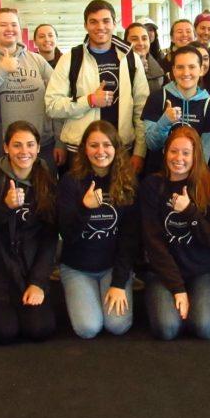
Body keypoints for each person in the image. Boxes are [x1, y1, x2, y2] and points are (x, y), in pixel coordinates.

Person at [0, 121, 58, 344]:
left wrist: (37, 282)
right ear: (6, 148)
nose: (24, 152)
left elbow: (49, 237)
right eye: (17, 145)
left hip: (29, 271)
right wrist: (4, 208)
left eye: (30, 145)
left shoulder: (46, 178)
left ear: (38, 148)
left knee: (40, 329)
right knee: (3, 333)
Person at [138, 126, 210, 340]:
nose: (179, 158)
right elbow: (153, 243)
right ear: (165, 153)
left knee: (205, 328)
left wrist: (189, 211)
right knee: (167, 329)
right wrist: (177, 288)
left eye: (186, 153)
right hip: (163, 272)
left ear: (195, 155)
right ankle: (180, 301)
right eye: (173, 151)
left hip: (201, 270)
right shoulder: (151, 185)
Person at [46, 0, 149, 172]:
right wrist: (90, 100)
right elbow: (52, 106)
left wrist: (140, 151)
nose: (100, 27)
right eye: (93, 21)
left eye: (106, 21)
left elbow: (141, 108)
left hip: (121, 149)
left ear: (114, 24)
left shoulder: (130, 58)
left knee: (120, 199)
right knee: (79, 199)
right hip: (80, 151)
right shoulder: (71, 59)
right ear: (85, 25)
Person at [56, 121, 139, 339]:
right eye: (94, 145)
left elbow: (129, 239)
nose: (100, 151)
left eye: (106, 145)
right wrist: (85, 208)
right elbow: (68, 234)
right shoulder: (69, 181)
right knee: (88, 328)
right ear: (84, 148)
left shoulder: (127, 181)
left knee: (117, 326)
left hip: (112, 266)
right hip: (78, 267)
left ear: (116, 148)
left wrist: (119, 283)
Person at [0, 7, 63, 169]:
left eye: (14, 24)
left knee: (45, 193)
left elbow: (57, 98)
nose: (9, 29)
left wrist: (60, 141)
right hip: (1, 148)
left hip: (42, 146)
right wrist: (2, 70)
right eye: (3, 24)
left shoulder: (37, 60)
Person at [142, 45, 210, 178]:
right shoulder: (157, 98)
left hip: (192, 180)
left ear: (201, 70)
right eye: (180, 67)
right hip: (158, 176)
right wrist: (165, 121)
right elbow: (152, 144)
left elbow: (204, 155)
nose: (186, 73)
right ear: (173, 70)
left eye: (192, 67)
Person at [125, 22, 165, 105]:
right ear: (125, 42)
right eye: (134, 39)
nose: (140, 43)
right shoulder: (118, 69)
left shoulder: (160, 72)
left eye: (144, 38)